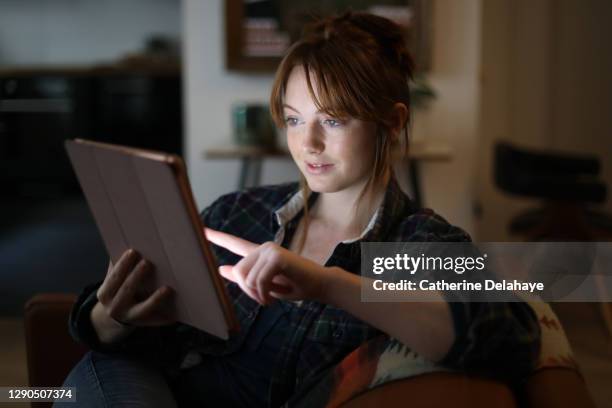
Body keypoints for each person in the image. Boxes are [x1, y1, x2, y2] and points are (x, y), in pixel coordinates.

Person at [56, 11, 540, 408]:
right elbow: (123, 334)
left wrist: (325, 283)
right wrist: (112, 316)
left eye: (333, 119)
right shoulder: (240, 211)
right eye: (293, 119)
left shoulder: (415, 243)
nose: (307, 143)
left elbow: (509, 337)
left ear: (392, 123)